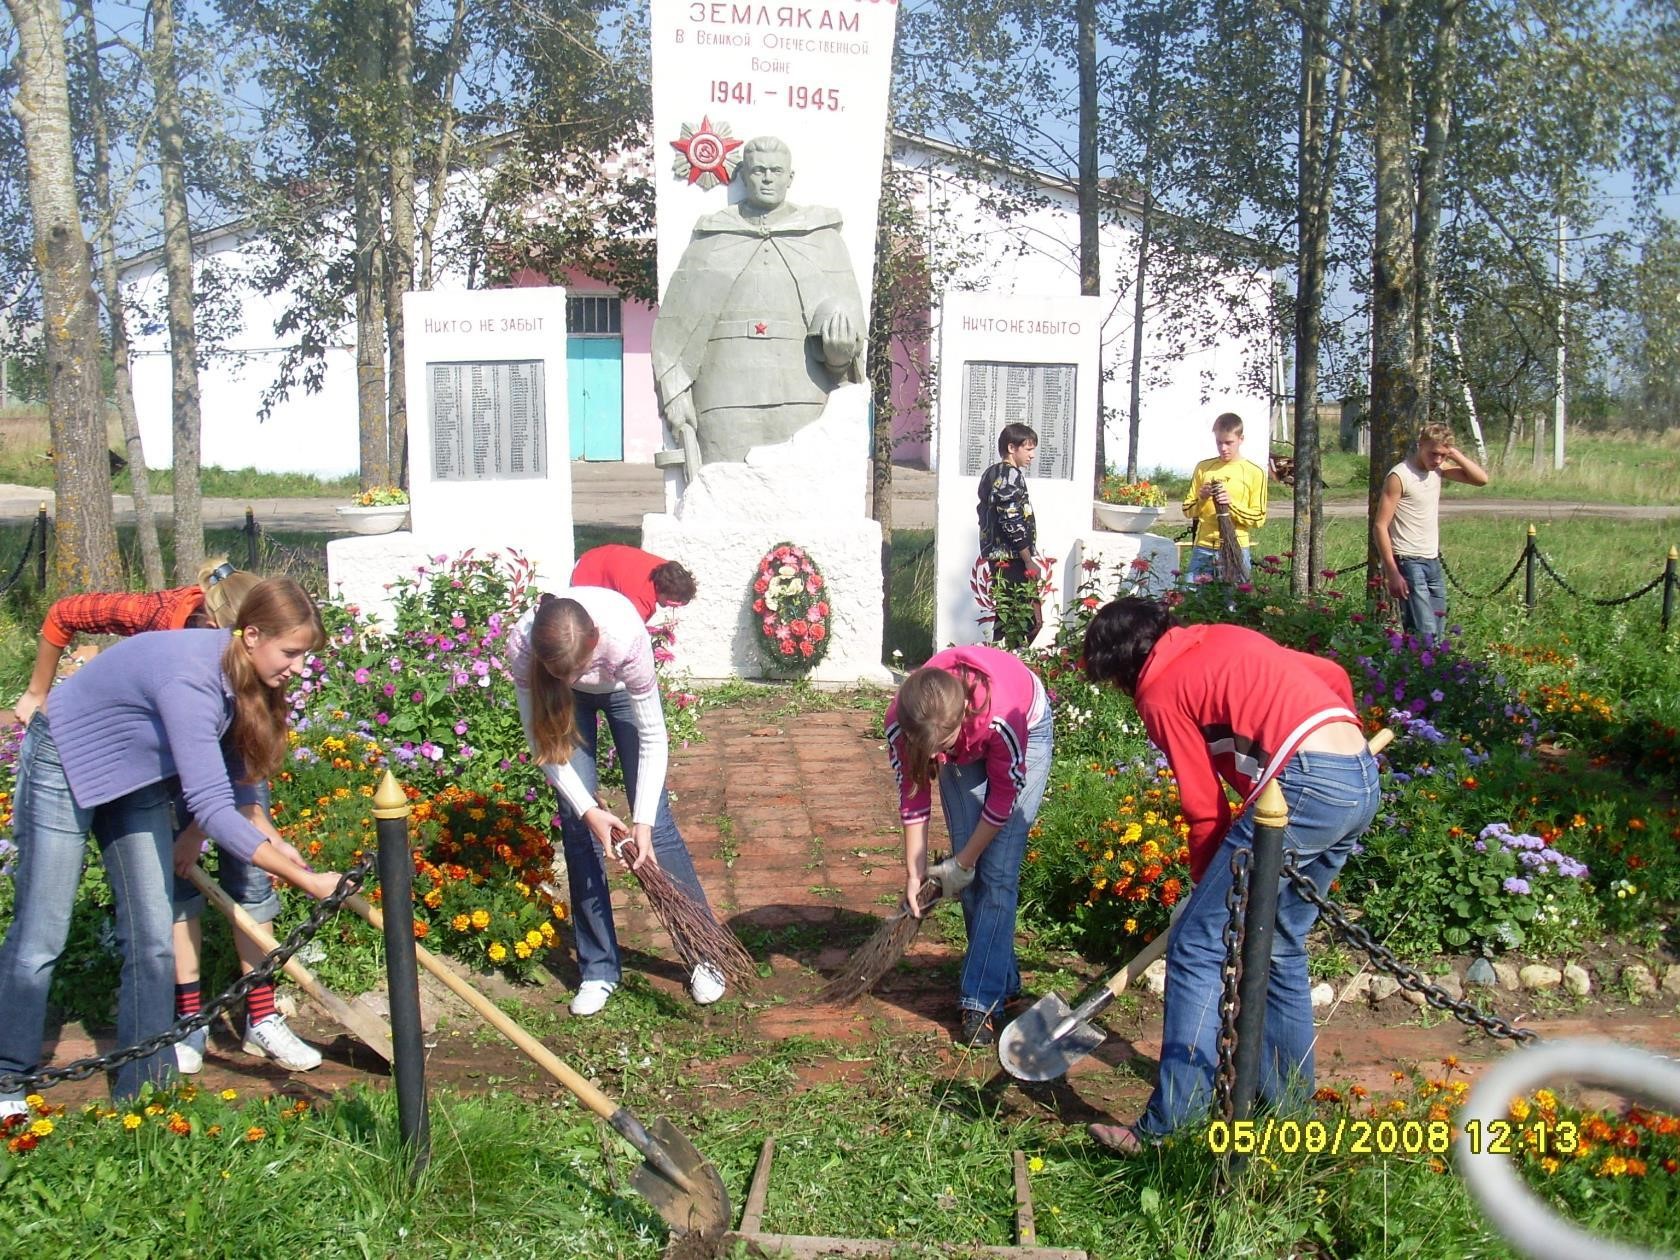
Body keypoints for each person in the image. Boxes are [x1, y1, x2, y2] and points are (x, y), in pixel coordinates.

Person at [0, 579, 343, 1115]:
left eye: (305, 655)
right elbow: (209, 807)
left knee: (153, 935)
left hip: (136, 780)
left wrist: (275, 842)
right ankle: (7, 1079)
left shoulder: (248, 676)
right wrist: (307, 880)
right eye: (292, 652)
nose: (299, 667)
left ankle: (143, 1082)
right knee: (42, 932)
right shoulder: (193, 679)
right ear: (251, 636)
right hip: (64, 762)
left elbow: (238, 772)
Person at [1079, 597, 1380, 1152]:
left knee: (1199, 945)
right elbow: (1331, 674)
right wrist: (1339, 742)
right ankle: (1289, 1114)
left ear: (1122, 667)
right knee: (1281, 945)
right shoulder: (1217, 636)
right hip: (1359, 774)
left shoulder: (1158, 687)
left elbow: (1203, 804)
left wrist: (1204, 890)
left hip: (1305, 786)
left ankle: (1172, 1129)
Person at [507, 587, 726, 1016]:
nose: (570, 680)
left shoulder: (624, 636)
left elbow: (653, 737)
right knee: (577, 826)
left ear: (595, 639)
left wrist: (640, 821)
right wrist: (589, 810)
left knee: (657, 827)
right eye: (560, 673)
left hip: (622, 690)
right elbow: (543, 744)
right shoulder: (523, 645)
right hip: (566, 707)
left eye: (577, 669)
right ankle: (599, 968)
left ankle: (704, 952)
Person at [651, 135, 866, 469]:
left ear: (790, 178)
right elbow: (676, 327)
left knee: (800, 501)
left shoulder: (822, 239)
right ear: (743, 175)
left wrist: (840, 357)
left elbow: (846, 344)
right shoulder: (713, 237)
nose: (768, 177)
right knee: (722, 500)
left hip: (801, 392)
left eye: (776, 170)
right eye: (759, 170)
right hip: (724, 397)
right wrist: (675, 395)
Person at [885, 645, 1053, 1047]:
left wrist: (964, 860)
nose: (939, 758)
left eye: (944, 748)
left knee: (996, 873)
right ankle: (1003, 978)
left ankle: (980, 999)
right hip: (964, 739)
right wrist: (915, 873)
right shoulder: (902, 722)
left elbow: (1001, 799)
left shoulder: (1001, 717)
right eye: (933, 753)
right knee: (970, 881)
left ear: (960, 719)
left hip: (1025, 731)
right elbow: (914, 794)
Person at [1373, 422, 1490, 646]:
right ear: (1420, 445)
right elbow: (1380, 525)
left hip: (1432, 560)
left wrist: (1454, 454)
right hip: (1408, 561)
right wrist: (1392, 571)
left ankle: (1415, 674)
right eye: (1432, 453)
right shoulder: (1400, 475)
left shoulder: (1438, 469)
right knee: (1426, 633)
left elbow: (1481, 479)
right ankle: (1419, 675)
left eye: (1442, 455)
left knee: (1437, 628)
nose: (1437, 460)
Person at [1180, 412, 1268, 582]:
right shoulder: (1204, 467)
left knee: (1235, 603)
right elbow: (1187, 510)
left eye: (1229, 443)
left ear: (1241, 439)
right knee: (1191, 600)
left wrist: (1230, 505)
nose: (1223, 448)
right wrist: (1203, 498)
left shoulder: (1254, 472)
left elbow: (1259, 518)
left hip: (1236, 547)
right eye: (1219, 443)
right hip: (1204, 547)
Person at [977, 423, 1042, 647]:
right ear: (1012, 447)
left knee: (1007, 616)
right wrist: (1028, 559)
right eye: (1028, 449)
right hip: (1012, 558)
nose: (1032, 455)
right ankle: (1011, 667)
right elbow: (1011, 518)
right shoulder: (1010, 475)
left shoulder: (991, 473)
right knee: (1024, 620)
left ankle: (998, 661)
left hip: (998, 556)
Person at [570, 544, 698, 623]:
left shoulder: (666, 568)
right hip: (585, 576)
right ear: (662, 590)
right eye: (672, 603)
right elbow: (630, 637)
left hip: (594, 555)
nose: (673, 607)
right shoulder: (642, 600)